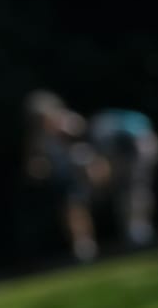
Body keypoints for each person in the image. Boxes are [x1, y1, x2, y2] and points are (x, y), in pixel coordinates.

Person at [25, 90, 102, 262]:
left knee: (74, 203)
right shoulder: (38, 138)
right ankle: (84, 245)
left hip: (88, 170)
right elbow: (34, 165)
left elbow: (91, 143)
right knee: (71, 206)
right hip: (66, 179)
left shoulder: (69, 123)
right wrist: (39, 168)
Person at [86, 108, 158, 248]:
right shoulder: (102, 127)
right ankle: (136, 229)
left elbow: (128, 152)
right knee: (131, 190)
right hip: (139, 144)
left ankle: (139, 230)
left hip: (141, 145)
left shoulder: (98, 132)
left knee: (136, 189)